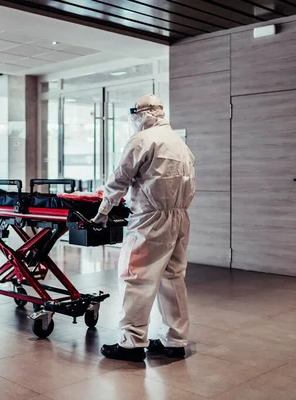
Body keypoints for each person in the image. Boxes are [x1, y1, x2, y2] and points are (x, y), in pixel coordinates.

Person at [92, 94, 195, 362]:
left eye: (136, 115)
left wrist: (103, 211)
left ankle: (131, 343)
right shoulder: (179, 143)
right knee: (173, 278)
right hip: (180, 218)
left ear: (145, 114)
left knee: (135, 276)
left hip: (150, 219)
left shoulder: (143, 139)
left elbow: (119, 178)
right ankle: (176, 341)